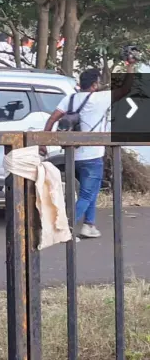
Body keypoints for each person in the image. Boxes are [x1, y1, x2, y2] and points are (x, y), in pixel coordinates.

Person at [42, 60, 136, 238]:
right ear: (94, 85)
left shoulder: (69, 98)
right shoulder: (99, 98)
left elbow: (52, 119)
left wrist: (43, 142)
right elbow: (125, 89)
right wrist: (130, 65)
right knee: (86, 194)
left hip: (72, 156)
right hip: (92, 155)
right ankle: (64, 230)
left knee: (90, 190)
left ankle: (89, 225)